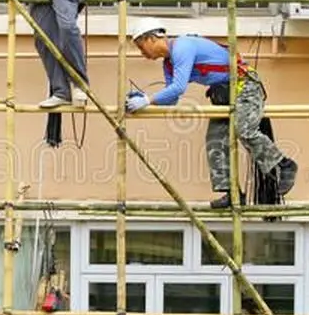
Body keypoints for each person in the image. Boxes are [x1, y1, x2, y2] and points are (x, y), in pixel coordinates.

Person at [125, 17, 297, 209]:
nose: (142, 53)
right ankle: (232, 193)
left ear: (151, 39)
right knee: (215, 139)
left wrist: (147, 100)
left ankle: (284, 164)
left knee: (245, 130)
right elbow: (172, 97)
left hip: (243, 86)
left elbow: (178, 88)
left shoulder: (183, 47)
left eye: (141, 47)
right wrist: (144, 98)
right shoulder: (168, 63)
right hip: (223, 94)